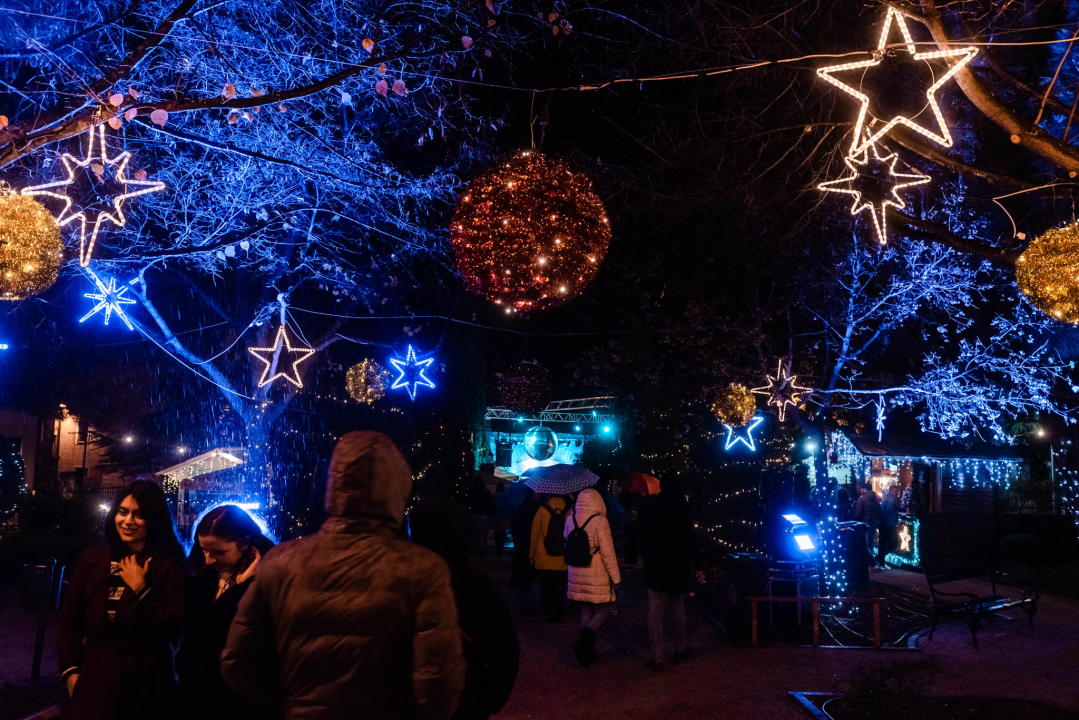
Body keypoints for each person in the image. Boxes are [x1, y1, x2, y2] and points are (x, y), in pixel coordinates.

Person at [221, 431, 465, 720]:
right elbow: (438, 681)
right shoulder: (423, 569)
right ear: (397, 487)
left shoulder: (281, 562)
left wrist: (297, 703)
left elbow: (237, 661)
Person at [57, 480, 186, 720]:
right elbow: (69, 621)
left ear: (154, 519)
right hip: (95, 679)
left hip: (148, 683)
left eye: (139, 515)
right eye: (123, 512)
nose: (128, 521)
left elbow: (174, 627)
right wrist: (70, 671)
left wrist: (141, 589)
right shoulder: (94, 559)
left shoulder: (169, 563)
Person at [410, 495, 521, 720]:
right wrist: (487, 702)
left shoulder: (400, 582)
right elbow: (505, 651)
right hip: (467, 701)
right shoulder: (477, 585)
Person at [178, 505, 276, 720]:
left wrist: (243, 588)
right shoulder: (199, 577)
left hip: (244, 699)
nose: (209, 560)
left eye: (219, 552)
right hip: (199, 694)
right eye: (204, 550)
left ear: (244, 544)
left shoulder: (270, 579)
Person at [637, 478, 703, 673]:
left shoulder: (650, 505)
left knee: (655, 609)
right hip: (678, 566)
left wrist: (645, 556)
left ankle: (657, 656)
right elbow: (691, 537)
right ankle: (679, 648)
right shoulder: (682, 507)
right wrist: (698, 564)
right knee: (678, 607)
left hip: (656, 566)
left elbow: (640, 534)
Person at [564, 488, 621, 667]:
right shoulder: (600, 521)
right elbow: (608, 553)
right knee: (602, 611)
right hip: (596, 572)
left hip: (576, 571)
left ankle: (587, 653)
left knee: (586, 611)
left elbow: (566, 538)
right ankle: (584, 643)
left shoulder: (570, 518)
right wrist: (616, 578)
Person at [529, 492, 571, 623]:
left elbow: (534, 535)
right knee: (560, 587)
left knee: (546, 587)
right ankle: (558, 613)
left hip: (544, 557)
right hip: (562, 558)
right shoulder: (569, 511)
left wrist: (532, 556)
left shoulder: (542, 510)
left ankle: (547, 613)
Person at [509, 490, 541, 615]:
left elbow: (515, 526)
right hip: (528, 545)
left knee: (524, 576)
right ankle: (525, 605)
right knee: (527, 576)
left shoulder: (523, 506)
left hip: (523, 546)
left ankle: (524, 604)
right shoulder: (534, 507)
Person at [466, 476, 495, 557]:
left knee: (474, 533)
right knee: (482, 534)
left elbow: (468, 502)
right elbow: (491, 503)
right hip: (483, 515)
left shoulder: (471, 492)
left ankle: (473, 549)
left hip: (474, 514)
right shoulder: (486, 492)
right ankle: (482, 549)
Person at [855, 484, 882, 569]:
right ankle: (870, 565)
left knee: (864, 544)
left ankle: (873, 563)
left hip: (864, 524)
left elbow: (858, 513)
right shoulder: (875, 499)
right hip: (873, 523)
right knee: (870, 544)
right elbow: (879, 510)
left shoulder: (862, 499)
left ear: (864, 489)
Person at [878, 485, 902, 568]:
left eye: (897, 491)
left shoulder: (886, 497)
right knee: (894, 543)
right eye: (896, 491)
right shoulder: (893, 499)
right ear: (891, 491)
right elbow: (899, 507)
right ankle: (880, 557)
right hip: (889, 524)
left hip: (884, 523)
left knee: (883, 543)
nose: (897, 493)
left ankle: (881, 560)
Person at [491, 483, 511, 558]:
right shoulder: (505, 495)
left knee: (497, 532)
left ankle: (497, 547)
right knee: (503, 532)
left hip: (496, 516)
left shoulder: (494, 495)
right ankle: (501, 547)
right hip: (504, 515)